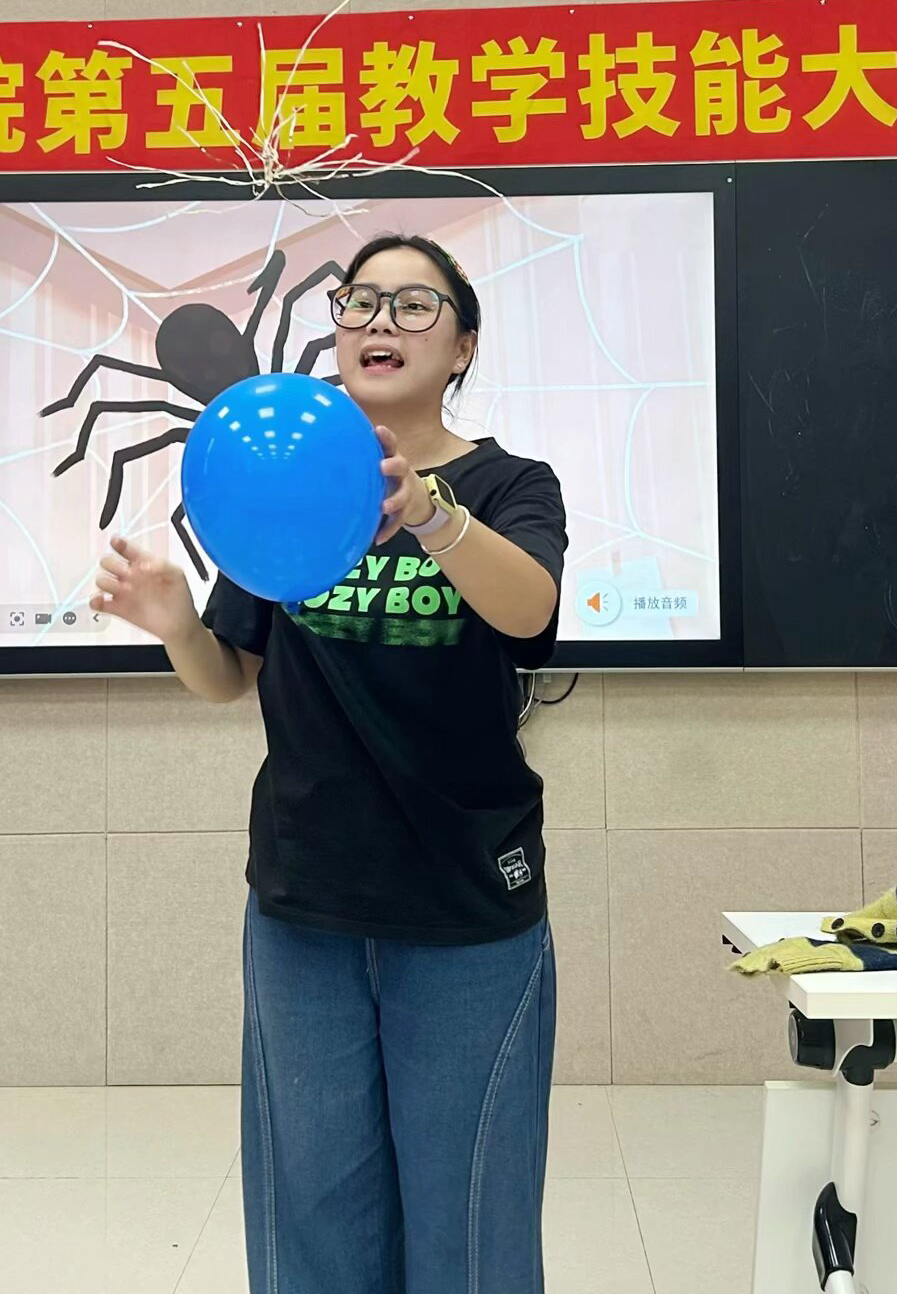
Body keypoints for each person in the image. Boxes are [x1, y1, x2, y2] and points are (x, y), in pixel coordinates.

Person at [91, 233, 568, 1293]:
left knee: (470, 1221)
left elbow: (528, 612)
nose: (378, 322)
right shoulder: (287, 473)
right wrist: (176, 624)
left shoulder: (510, 484)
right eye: (359, 301)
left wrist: (429, 511)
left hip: (465, 899)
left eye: (413, 304)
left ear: (463, 345)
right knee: (313, 1215)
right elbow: (231, 676)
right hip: (306, 895)